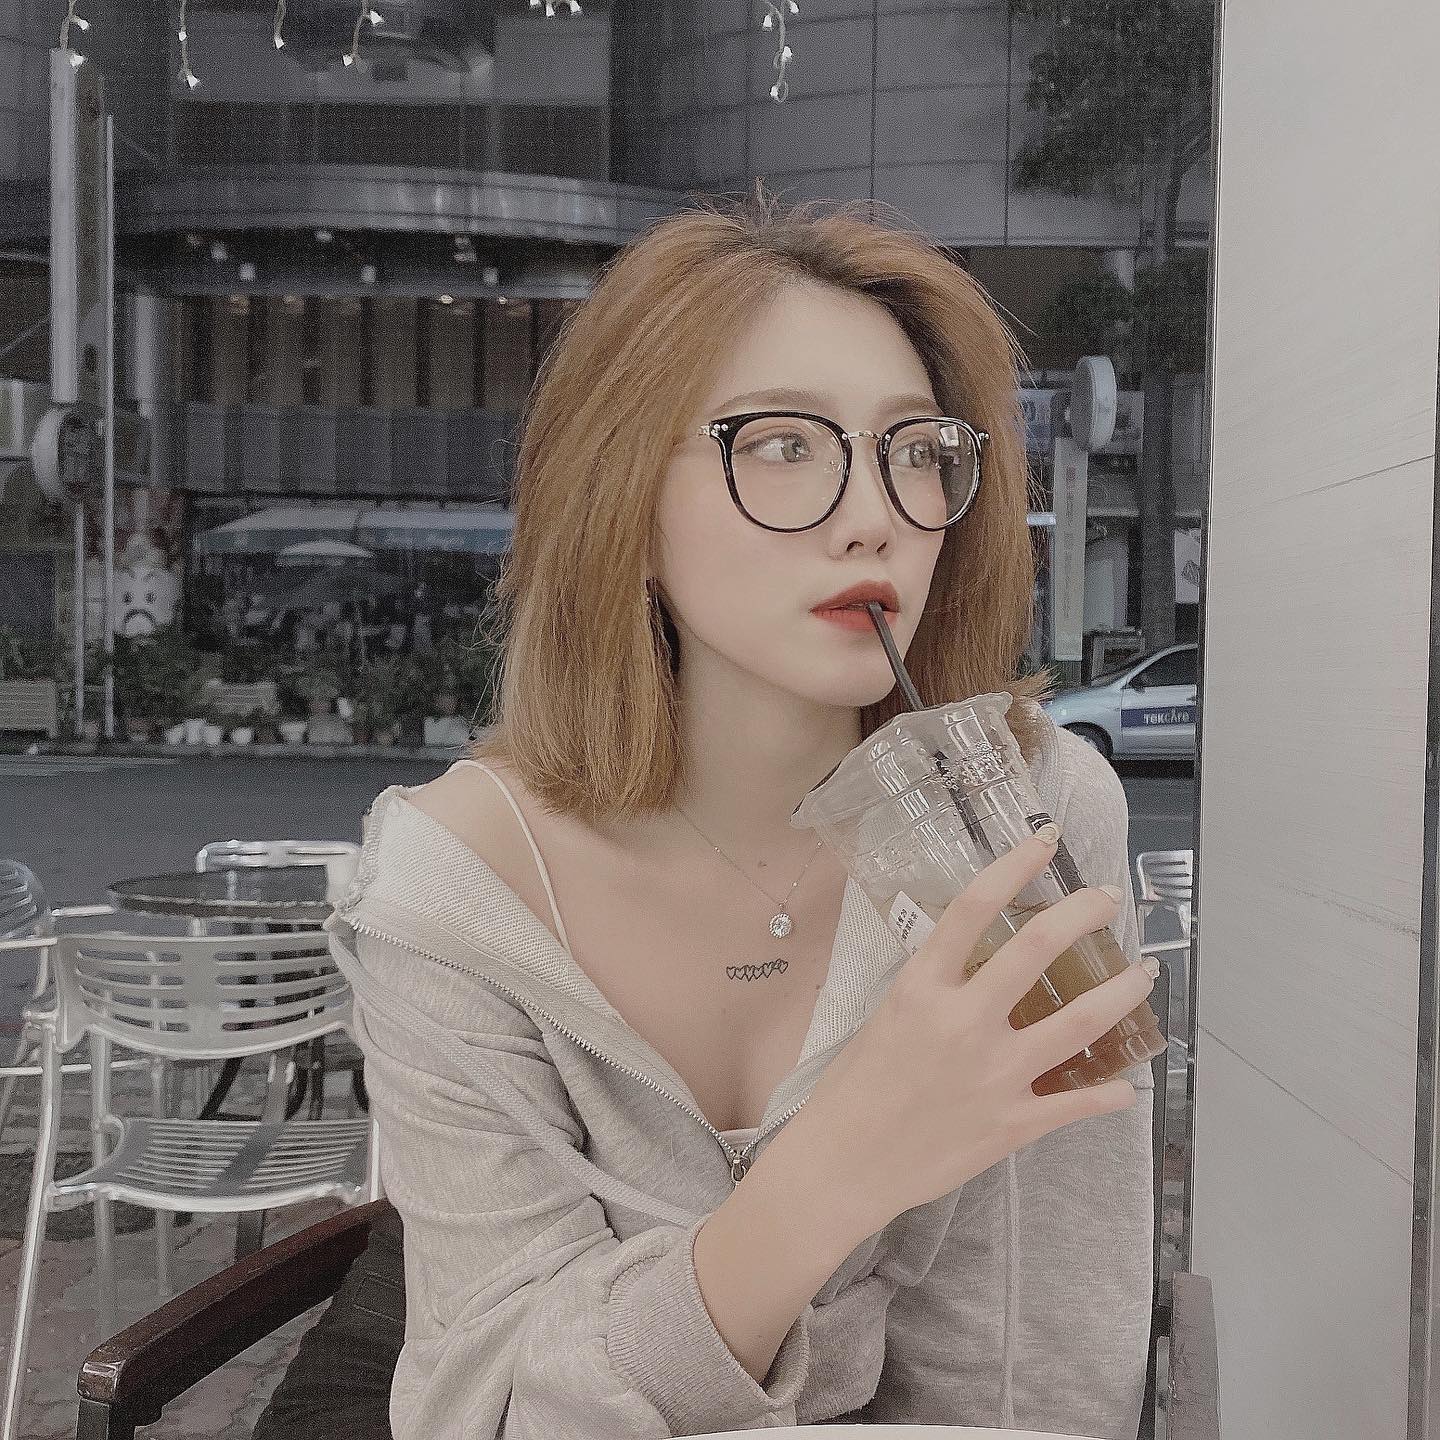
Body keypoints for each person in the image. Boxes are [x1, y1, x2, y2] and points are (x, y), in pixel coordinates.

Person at [309, 191, 1156, 1440]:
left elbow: (1036, 1371)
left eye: (915, 449)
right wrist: (836, 1169)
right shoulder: (458, 892)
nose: (874, 515)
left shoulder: (1022, 814)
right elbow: (498, 1406)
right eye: (784, 444)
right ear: (624, 502)